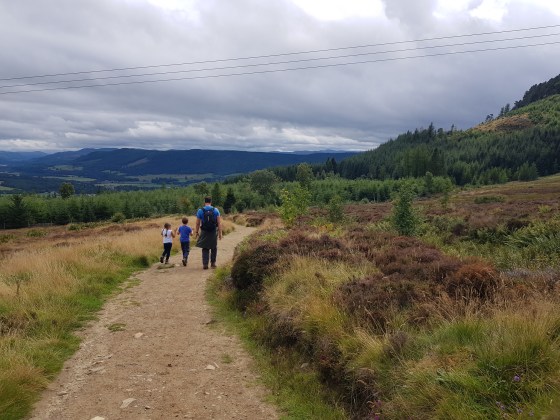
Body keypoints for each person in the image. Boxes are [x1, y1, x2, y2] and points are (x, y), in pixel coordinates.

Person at [195, 196, 222, 269]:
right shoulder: (216, 210)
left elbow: (197, 223)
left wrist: (196, 231)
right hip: (213, 231)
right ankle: (213, 263)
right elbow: (219, 223)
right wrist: (220, 233)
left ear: (204, 202)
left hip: (204, 231)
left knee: (205, 247)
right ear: (211, 202)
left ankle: (205, 264)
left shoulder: (200, 210)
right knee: (214, 247)